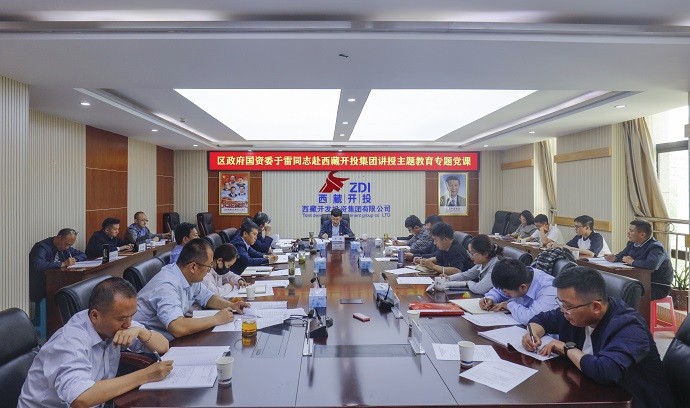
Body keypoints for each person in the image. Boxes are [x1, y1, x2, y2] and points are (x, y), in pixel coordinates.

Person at [522, 267, 673, 408]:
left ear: (596, 307)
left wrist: (567, 348)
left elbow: (605, 371)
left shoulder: (629, 326)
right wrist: (532, 333)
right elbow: (541, 320)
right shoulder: (574, 313)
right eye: (561, 304)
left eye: (567, 306)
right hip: (593, 393)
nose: (563, 310)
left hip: (635, 402)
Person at [18, 277, 173, 408]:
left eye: (132, 316)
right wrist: (145, 375)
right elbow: (80, 398)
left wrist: (141, 332)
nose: (128, 323)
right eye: (122, 319)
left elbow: (163, 346)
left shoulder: (117, 323)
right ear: (95, 316)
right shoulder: (70, 341)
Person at [133, 238, 250, 340]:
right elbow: (177, 327)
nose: (209, 270)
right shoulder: (167, 285)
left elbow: (208, 297)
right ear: (193, 267)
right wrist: (216, 319)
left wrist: (231, 305)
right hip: (145, 345)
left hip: (167, 339)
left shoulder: (188, 276)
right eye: (209, 266)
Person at [604, 220, 673, 300]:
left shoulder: (655, 247)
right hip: (638, 282)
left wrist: (632, 262)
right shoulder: (632, 243)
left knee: (626, 294)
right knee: (611, 289)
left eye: (631, 231)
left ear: (642, 235)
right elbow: (623, 255)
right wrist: (615, 258)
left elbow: (652, 265)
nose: (628, 233)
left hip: (656, 286)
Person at [480, 258, 558, 325]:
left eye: (506, 292)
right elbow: (498, 291)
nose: (504, 293)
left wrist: (508, 305)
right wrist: (490, 298)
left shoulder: (550, 289)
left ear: (522, 287)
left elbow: (532, 319)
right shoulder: (516, 276)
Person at [29, 228, 87, 303]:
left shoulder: (65, 248)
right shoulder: (42, 247)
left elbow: (83, 255)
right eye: (66, 244)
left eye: (70, 245)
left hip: (59, 282)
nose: (67, 247)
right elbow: (38, 265)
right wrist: (62, 264)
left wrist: (75, 259)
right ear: (59, 238)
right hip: (43, 286)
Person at [434, 234, 503, 295]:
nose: (471, 257)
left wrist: (467, 282)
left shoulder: (495, 267)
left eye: (473, 253)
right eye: (469, 253)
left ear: (485, 254)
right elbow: (466, 275)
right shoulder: (482, 263)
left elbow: (479, 289)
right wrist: (449, 278)